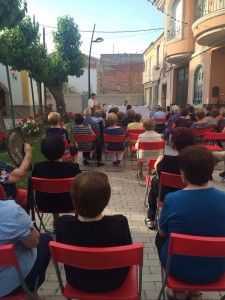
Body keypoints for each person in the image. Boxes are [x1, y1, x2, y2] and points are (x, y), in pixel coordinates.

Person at [156, 146, 225, 300]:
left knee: (160, 237)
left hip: (178, 268)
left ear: (182, 174)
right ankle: (195, 292)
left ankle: (178, 292)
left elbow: (162, 232)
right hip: (216, 268)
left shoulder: (172, 199)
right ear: (211, 172)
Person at [56, 171, 132, 293]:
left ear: (73, 199)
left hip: (77, 281)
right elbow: (128, 255)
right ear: (106, 200)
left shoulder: (63, 225)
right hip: (113, 281)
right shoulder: (120, 223)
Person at [0, 200, 52, 299]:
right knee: (45, 239)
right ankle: (30, 292)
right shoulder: (10, 210)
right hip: (10, 284)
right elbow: (34, 242)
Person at [145, 127, 195, 230]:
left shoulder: (167, 160)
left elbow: (157, 170)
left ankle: (151, 218)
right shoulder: (196, 160)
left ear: (174, 144)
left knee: (155, 181)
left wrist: (159, 160)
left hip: (165, 194)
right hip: (190, 195)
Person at [32, 136, 81, 228]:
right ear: (63, 151)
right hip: (69, 203)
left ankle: (56, 219)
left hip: (44, 204)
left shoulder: (37, 167)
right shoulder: (73, 167)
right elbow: (81, 184)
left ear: (43, 152)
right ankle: (76, 221)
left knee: (53, 193)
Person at [0, 143, 32, 208]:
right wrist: (28, 153)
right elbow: (20, 175)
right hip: (7, 203)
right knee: (28, 196)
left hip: (9, 196)